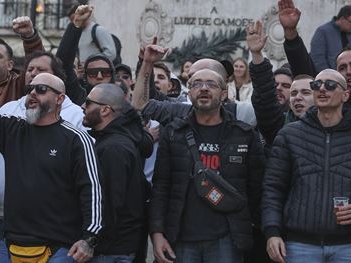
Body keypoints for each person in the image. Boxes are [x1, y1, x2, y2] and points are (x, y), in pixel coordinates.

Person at [0, 60, 102, 263]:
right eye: (29, 89)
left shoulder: (76, 138)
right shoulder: (12, 130)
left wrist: (89, 238)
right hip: (12, 244)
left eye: (41, 89)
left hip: (60, 248)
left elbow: (91, 189)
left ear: (60, 98)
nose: (32, 93)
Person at [263, 69, 351, 263]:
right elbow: (273, 188)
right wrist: (272, 231)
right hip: (299, 245)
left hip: (349, 246)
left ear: (345, 95)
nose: (322, 89)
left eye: (331, 85)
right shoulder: (289, 135)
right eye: (316, 85)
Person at [149, 68, 264, 263]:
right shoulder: (173, 133)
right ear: (189, 92)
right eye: (197, 84)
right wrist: (157, 233)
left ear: (224, 93)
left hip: (228, 239)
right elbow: (161, 188)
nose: (203, 88)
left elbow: (257, 189)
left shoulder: (244, 135)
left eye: (211, 84)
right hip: (181, 238)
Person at [0, 51, 87, 263]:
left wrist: (89, 236)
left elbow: (88, 183)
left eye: (41, 72)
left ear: (59, 89)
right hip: (5, 222)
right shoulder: (10, 111)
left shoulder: (76, 119)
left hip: (55, 233)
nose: (33, 75)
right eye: (30, 70)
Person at [84, 83, 151, 263]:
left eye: (88, 103)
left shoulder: (114, 148)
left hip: (110, 250)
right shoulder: (112, 141)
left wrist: (90, 241)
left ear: (105, 110)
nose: (83, 107)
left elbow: (110, 203)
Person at [247, 20, 310, 146]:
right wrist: (256, 55)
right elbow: (265, 94)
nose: (279, 88)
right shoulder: (276, 125)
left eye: (286, 86)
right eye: (275, 85)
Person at [309, 5, 351, 71]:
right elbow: (317, 58)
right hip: (329, 77)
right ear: (342, 19)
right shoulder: (323, 32)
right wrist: (328, 76)